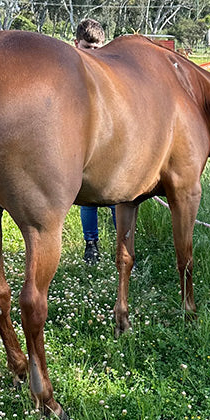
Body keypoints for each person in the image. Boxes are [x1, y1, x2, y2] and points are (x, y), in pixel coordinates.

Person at [75, 18, 116, 264]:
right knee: (87, 197)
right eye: (87, 48)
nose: (92, 53)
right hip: (82, 142)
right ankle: (91, 245)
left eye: (97, 49)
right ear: (76, 43)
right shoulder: (71, 68)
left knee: (114, 196)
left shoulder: (108, 72)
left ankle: (121, 241)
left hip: (108, 142)